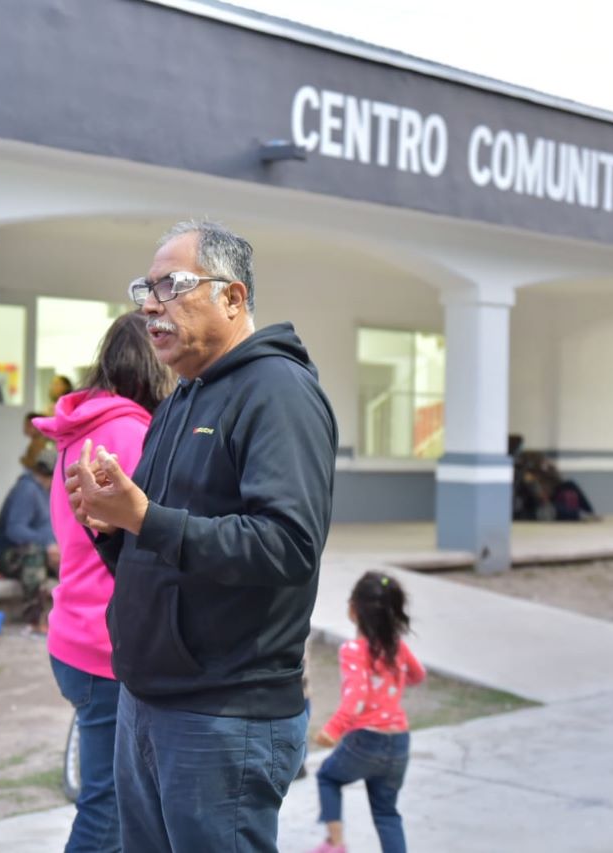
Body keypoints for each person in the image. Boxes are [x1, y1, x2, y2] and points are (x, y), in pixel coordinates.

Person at [67, 219, 338, 852]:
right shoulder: (181, 399)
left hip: (223, 714)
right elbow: (159, 545)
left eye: (172, 286)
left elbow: (288, 546)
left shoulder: (278, 392)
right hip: (148, 697)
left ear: (233, 297)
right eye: (146, 289)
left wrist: (144, 518)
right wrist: (109, 523)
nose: (150, 305)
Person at [33, 311, 172, 853]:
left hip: (74, 630)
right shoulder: (131, 433)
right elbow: (149, 540)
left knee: (119, 804)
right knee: (108, 809)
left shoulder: (83, 428)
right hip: (104, 643)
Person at [310, 572, 425, 853]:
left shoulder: (353, 650)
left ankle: (335, 844)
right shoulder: (396, 646)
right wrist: (395, 680)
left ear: (353, 609)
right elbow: (418, 675)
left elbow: (356, 699)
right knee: (387, 813)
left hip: (367, 739)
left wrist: (333, 729)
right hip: (399, 741)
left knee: (328, 777)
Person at [0, 449, 61, 632]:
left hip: (38, 552)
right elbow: (15, 530)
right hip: (9, 555)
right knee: (35, 554)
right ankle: (34, 621)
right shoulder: (27, 490)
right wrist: (48, 545)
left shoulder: (45, 492)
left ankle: (71, 617)